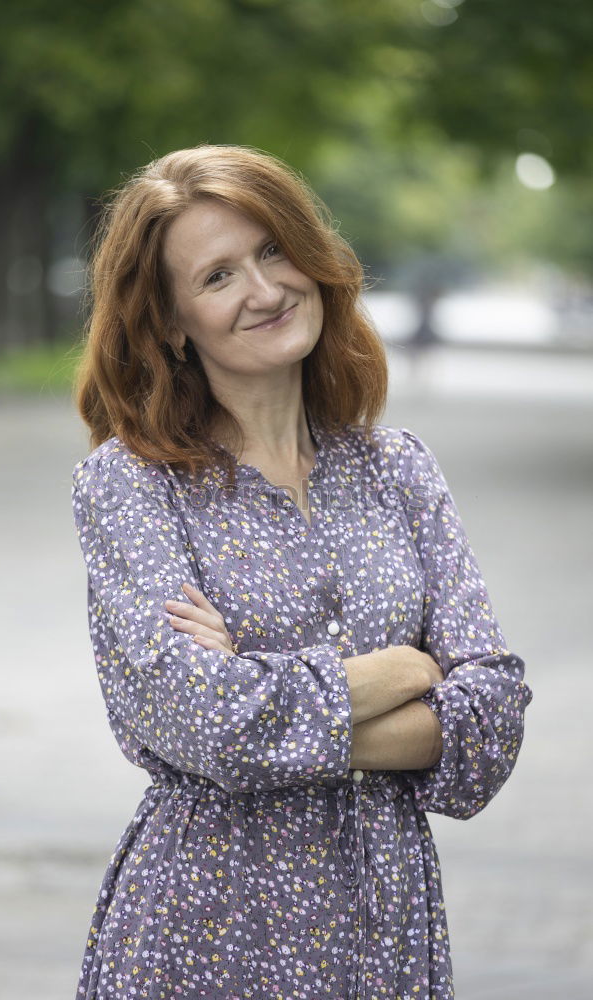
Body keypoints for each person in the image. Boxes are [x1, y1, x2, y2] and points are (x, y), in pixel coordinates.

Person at [69, 144, 532, 1000]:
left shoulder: (400, 469)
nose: (264, 289)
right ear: (172, 323)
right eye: (217, 278)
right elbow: (197, 722)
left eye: (274, 250)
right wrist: (401, 672)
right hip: (206, 930)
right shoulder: (132, 483)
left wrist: (256, 692)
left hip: (385, 925)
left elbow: (491, 726)